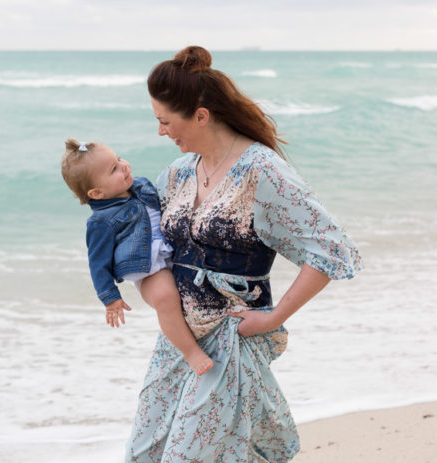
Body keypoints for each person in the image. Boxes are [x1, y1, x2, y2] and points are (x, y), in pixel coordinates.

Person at [125, 46, 362, 462]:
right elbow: (143, 242)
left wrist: (274, 318)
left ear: (200, 115)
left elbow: (331, 249)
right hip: (179, 342)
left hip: (229, 341)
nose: (161, 132)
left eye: (165, 121)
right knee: (146, 453)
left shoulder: (261, 170)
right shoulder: (179, 173)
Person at [61, 138, 214, 376]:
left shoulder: (140, 186)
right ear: (97, 193)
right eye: (113, 169)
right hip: (148, 268)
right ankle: (191, 352)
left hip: (170, 251)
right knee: (165, 298)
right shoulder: (100, 221)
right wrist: (110, 297)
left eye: (119, 159)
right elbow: (97, 262)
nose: (124, 166)